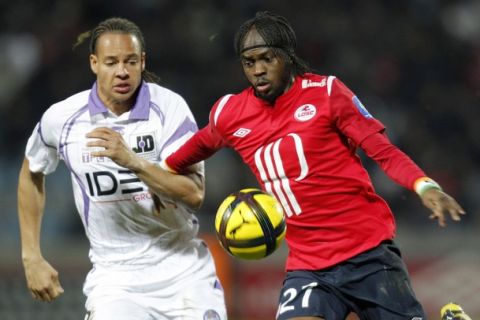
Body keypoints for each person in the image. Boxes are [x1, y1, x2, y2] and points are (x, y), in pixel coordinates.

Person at [162, 11, 466, 320]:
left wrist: (425, 186)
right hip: (308, 266)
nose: (258, 71)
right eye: (249, 62)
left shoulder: (328, 93)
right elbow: (184, 156)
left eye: (267, 59)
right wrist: (146, 171)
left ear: (287, 57)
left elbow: (382, 151)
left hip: (368, 255)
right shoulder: (230, 113)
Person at [17, 17, 226, 320]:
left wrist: (134, 162)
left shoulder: (169, 108)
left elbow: (194, 194)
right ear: (94, 63)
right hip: (116, 281)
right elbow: (31, 172)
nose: (122, 72)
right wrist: (31, 256)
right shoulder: (62, 119)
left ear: (142, 62)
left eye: (130, 61)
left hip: (184, 274)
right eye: (111, 62)